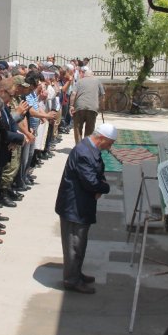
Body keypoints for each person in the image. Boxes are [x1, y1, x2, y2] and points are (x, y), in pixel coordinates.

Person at [54, 123, 117, 294]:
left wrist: (100, 185)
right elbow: (91, 182)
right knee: (74, 244)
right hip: (74, 206)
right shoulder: (84, 153)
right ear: (102, 138)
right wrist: (103, 188)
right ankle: (71, 280)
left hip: (81, 204)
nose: (109, 147)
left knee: (80, 243)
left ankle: (76, 273)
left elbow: (98, 173)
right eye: (109, 143)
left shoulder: (90, 149)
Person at [69, 68, 105, 144]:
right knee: (89, 130)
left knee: (78, 129)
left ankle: (79, 147)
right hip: (92, 108)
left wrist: (71, 106)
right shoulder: (98, 81)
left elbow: (73, 94)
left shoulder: (79, 81)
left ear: (84, 75)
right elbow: (102, 96)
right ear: (92, 75)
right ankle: (86, 147)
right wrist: (102, 106)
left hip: (79, 107)